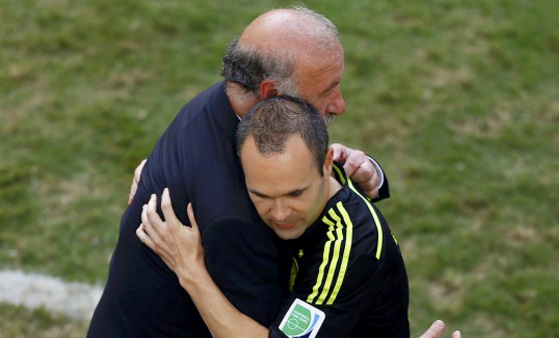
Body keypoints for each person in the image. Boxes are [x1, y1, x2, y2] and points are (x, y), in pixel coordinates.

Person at [88, 6, 389, 337]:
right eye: (325, 92)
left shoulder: (219, 104)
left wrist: (366, 172)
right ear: (271, 95)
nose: (339, 105)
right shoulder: (235, 218)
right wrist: (191, 272)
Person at [137, 96, 460, 338]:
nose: (279, 214)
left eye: (295, 194)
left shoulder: (348, 248)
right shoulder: (312, 174)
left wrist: (189, 269)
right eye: (261, 195)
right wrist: (154, 175)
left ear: (326, 163)